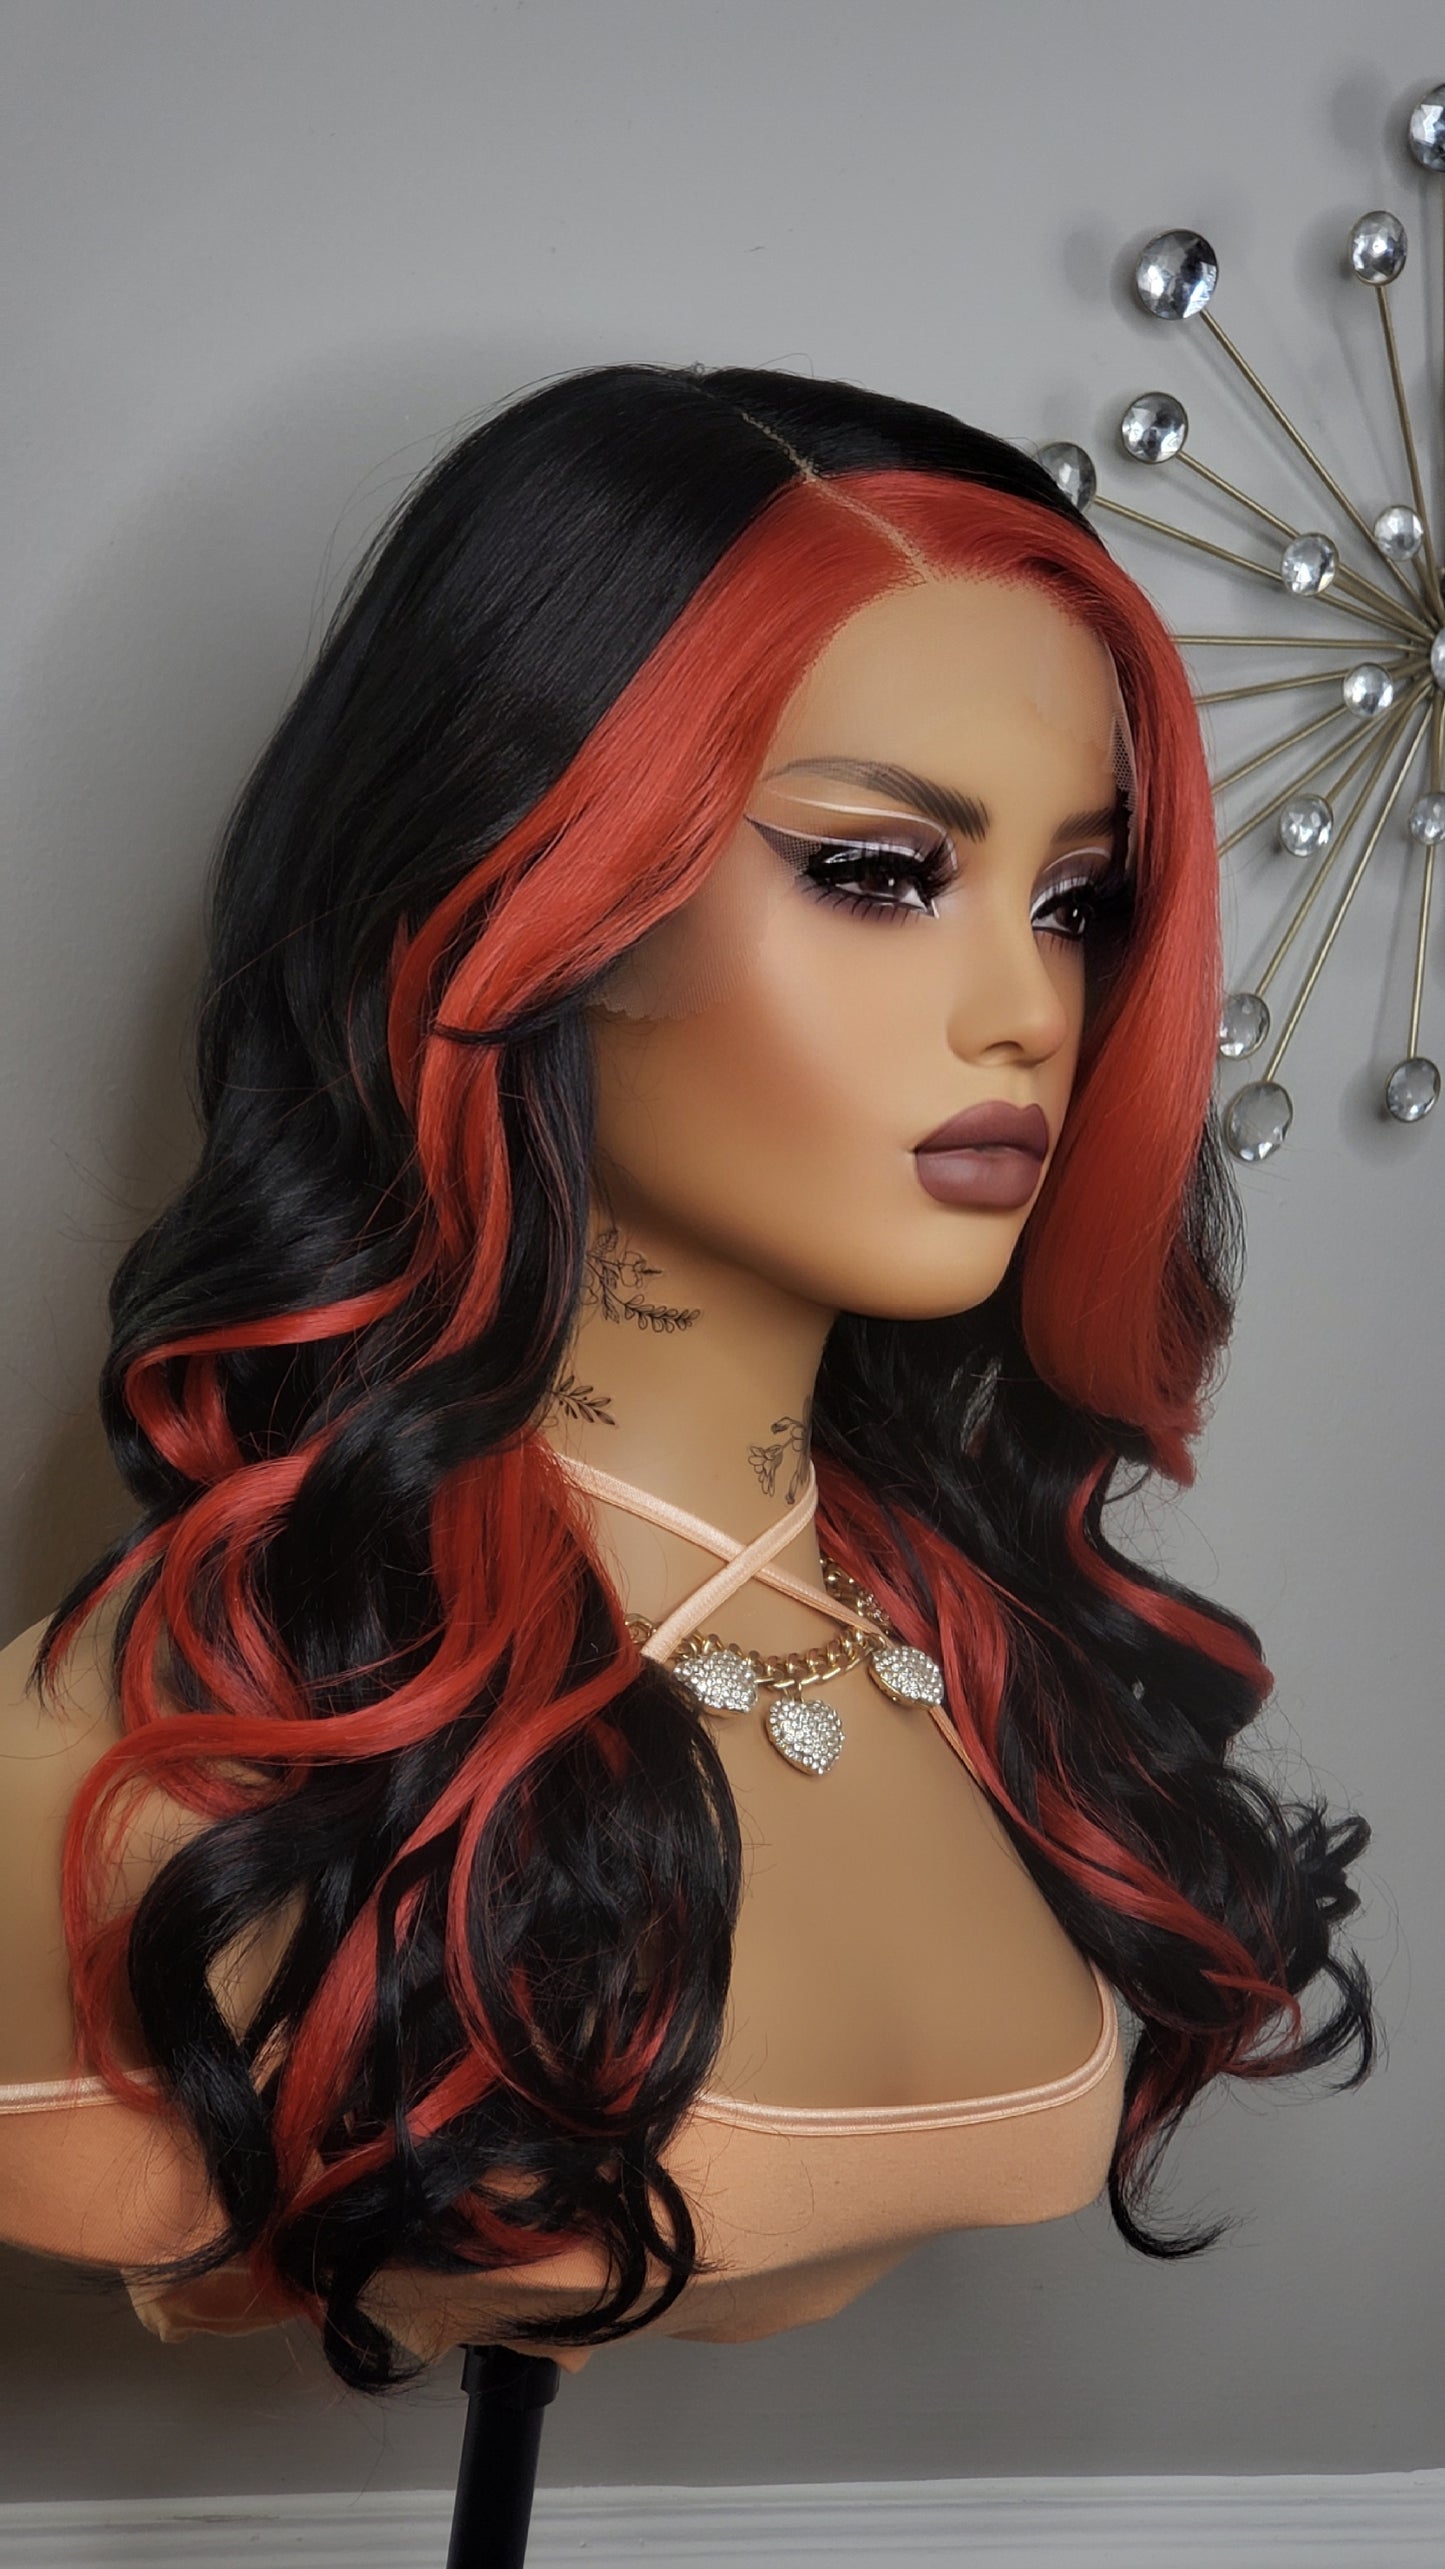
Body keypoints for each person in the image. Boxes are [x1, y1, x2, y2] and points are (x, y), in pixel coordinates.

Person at [0, 364, 1375, 2391]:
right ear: (540, 892)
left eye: (1078, 902)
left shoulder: (997, 1652)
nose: (1027, 1009)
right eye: (879, 872)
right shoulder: (113, 1770)